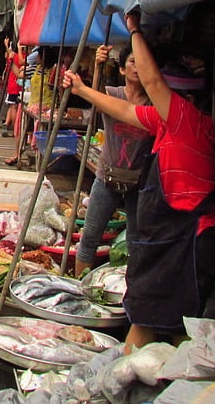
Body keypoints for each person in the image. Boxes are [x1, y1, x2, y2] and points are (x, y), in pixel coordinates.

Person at [62, 11, 215, 350]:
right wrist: (82, 89)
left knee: (152, 323)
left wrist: (134, 29)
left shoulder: (187, 120)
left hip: (185, 243)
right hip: (171, 241)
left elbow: (151, 83)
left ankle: (131, 374)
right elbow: (123, 110)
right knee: (170, 324)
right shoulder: (168, 122)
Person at [74, 44, 152, 277]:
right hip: (107, 176)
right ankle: (78, 286)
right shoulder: (113, 94)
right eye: (132, 62)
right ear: (122, 69)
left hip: (139, 182)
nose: (137, 67)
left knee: (136, 243)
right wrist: (98, 65)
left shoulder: (153, 102)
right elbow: (94, 95)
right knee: (90, 238)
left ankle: (131, 289)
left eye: (142, 62)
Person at [2, 39, 24, 164]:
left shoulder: (17, 57)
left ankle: (13, 126)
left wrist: (7, 46)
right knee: (13, 107)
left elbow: (11, 55)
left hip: (14, 85)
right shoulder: (21, 57)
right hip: (16, 85)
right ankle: (11, 125)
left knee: (13, 107)